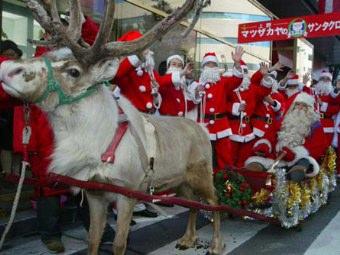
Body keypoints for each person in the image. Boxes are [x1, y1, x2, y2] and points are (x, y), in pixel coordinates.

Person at [245, 92, 328, 182]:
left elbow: (318, 147)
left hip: (298, 159)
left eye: (304, 106)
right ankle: (259, 174)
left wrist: (295, 154)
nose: (299, 108)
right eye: (297, 105)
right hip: (277, 157)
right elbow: (270, 135)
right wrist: (264, 145)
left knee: (303, 163)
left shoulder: (314, 125)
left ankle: (294, 174)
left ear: (310, 109)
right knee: (254, 164)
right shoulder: (282, 121)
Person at [188, 48, 244, 172]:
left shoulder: (223, 82)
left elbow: (236, 80)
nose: (211, 67)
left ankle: (226, 182)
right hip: (204, 125)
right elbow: (191, 103)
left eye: (214, 64)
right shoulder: (196, 85)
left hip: (221, 125)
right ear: (203, 67)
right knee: (204, 156)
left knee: (225, 156)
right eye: (208, 64)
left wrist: (237, 63)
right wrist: (197, 92)